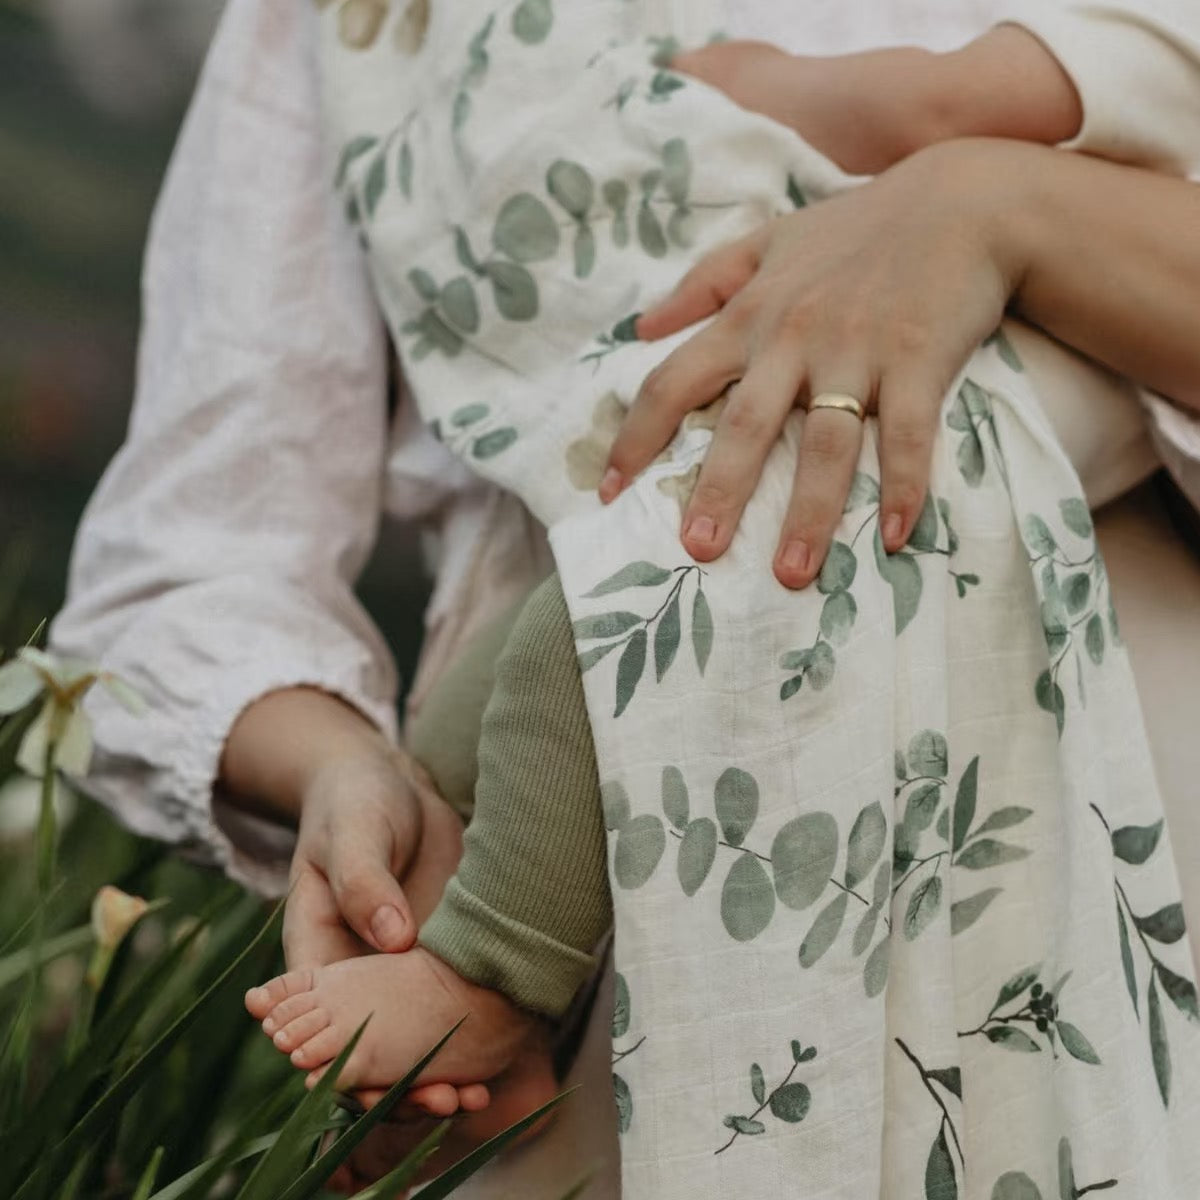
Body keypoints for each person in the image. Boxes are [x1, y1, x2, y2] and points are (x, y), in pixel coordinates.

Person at [49, 0, 1200, 1192]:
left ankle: (491, 972)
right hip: (571, 865)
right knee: (609, 613)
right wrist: (353, 778)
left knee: (676, 559)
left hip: (1095, 821)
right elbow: (195, 561)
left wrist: (985, 200)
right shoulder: (358, 25)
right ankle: (483, 968)